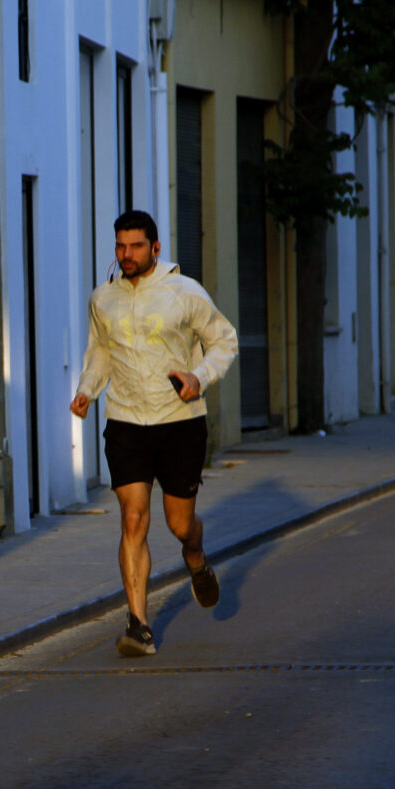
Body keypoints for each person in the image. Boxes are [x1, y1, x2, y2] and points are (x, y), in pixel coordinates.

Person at [70, 209, 238, 657]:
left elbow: (225, 340)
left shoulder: (185, 293)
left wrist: (199, 376)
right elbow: (101, 353)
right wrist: (87, 390)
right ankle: (138, 625)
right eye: (120, 246)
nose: (126, 254)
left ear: (156, 248)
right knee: (132, 518)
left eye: (136, 246)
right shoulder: (102, 299)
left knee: (180, 524)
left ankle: (196, 559)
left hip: (179, 422)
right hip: (126, 421)